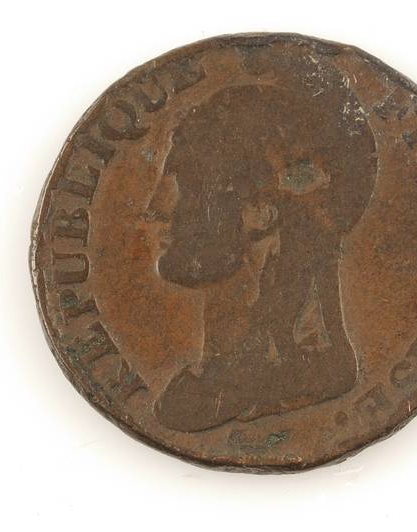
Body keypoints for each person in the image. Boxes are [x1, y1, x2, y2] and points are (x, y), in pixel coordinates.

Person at [147, 61, 377, 432]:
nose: (156, 207)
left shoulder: (233, 395)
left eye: (189, 183)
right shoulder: (201, 391)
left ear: (261, 214)